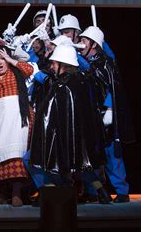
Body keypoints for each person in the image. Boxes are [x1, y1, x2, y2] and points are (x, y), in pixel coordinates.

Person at [29, 45, 111, 202]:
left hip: (63, 136)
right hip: (81, 138)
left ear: (62, 64)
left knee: (43, 162)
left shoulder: (61, 85)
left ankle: (55, 191)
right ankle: (100, 191)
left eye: (54, 63)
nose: (52, 66)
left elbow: (48, 115)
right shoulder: (84, 80)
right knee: (82, 163)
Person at [79, 26, 134, 203]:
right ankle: (95, 192)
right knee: (89, 157)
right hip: (91, 115)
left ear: (94, 44)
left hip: (105, 117)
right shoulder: (89, 63)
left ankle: (122, 191)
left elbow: (111, 87)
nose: (81, 43)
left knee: (111, 155)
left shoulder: (105, 63)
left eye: (84, 41)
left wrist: (109, 109)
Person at [0, 45, 34, 207]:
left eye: (1, 58)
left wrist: (10, 59)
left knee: (17, 154)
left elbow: (29, 69)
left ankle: (16, 194)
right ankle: (0, 194)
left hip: (19, 115)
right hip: (0, 116)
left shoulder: (15, 70)